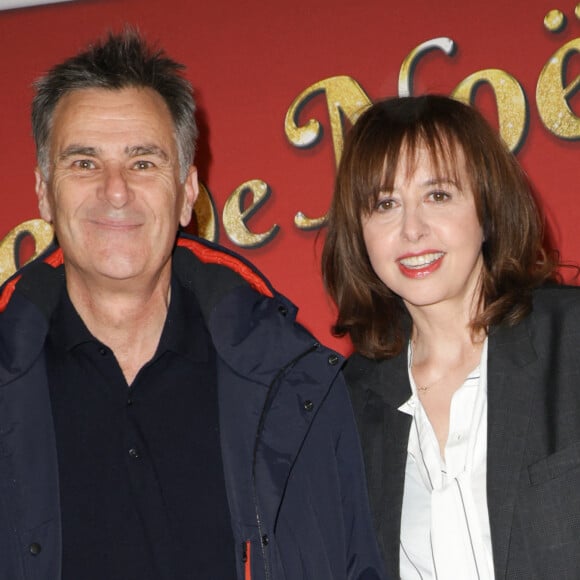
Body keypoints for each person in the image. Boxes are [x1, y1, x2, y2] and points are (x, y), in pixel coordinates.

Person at [0, 29, 386, 580]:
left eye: (143, 163)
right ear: (43, 191)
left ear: (187, 192)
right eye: (84, 163)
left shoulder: (298, 386)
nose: (114, 191)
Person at [322, 94, 580, 579]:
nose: (412, 229)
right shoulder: (347, 405)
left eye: (437, 195)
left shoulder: (571, 344)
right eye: (385, 204)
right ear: (360, 234)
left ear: (486, 210)